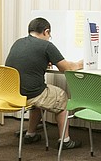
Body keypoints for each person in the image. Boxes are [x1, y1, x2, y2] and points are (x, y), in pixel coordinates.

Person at [5, 17, 84, 149]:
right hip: (31, 94)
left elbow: (25, 62)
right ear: (46, 31)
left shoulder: (18, 43)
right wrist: (80, 63)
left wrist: (43, 61)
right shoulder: (46, 45)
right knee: (61, 96)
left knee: (38, 95)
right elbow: (67, 69)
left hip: (13, 93)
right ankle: (65, 141)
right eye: (49, 35)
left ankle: (30, 134)